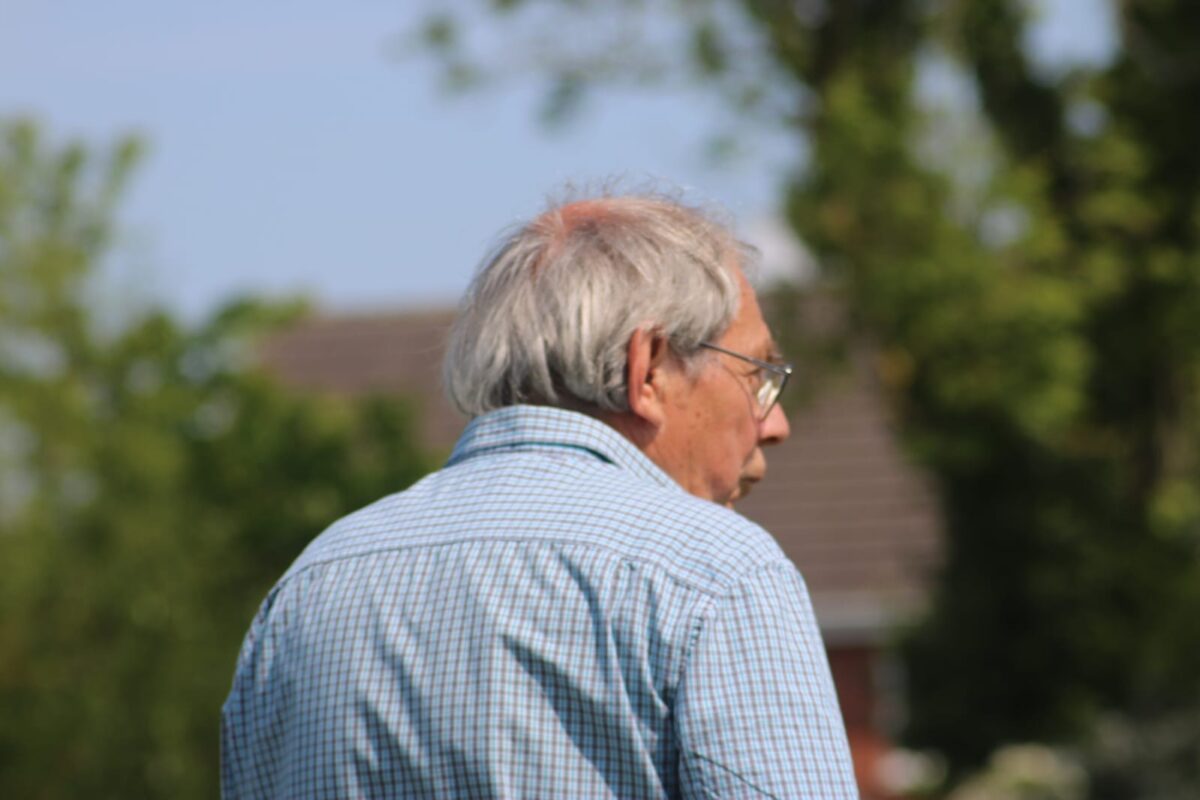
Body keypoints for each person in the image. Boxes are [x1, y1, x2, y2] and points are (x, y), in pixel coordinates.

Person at [221, 191, 859, 798]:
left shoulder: (309, 585)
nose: (775, 423)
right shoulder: (717, 574)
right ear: (648, 370)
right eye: (757, 375)